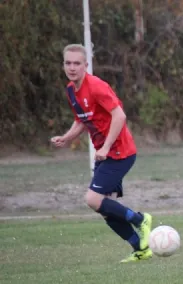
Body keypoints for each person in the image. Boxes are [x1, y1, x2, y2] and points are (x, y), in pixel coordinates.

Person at [51, 44, 153, 263]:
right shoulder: (71, 90)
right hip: (105, 154)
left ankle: (140, 218)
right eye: (68, 63)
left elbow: (120, 116)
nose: (72, 67)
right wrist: (66, 137)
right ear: (63, 65)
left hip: (120, 152)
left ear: (86, 65)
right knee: (107, 209)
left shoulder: (96, 86)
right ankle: (140, 248)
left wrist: (106, 146)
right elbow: (82, 119)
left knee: (92, 199)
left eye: (77, 63)